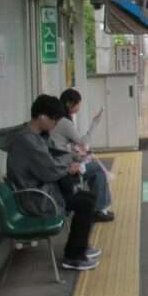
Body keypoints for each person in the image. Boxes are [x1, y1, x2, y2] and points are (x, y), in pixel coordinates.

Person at [0, 95, 100, 271]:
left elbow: (50, 159)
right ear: (43, 117)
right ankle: (73, 256)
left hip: (39, 190)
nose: (54, 125)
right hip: (37, 198)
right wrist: (70, 166)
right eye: (54, 121)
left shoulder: (31, 136)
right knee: (86, 202)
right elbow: (49, 170)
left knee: (85, 198)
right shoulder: (28, 141)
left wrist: (70, 161)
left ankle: (79, 247)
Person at [51, 88, 113, 222]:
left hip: (60, 163)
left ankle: (100, 209)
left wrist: (79, 156)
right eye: (78, 103)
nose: (79, 106)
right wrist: (95, 123)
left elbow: (66, 146)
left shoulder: (60, 120)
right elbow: (83, 142)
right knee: (97, 169)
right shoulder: (64, 123)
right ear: (69, 103)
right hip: (63, 169)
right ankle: (100, 209)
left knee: (95, 171)